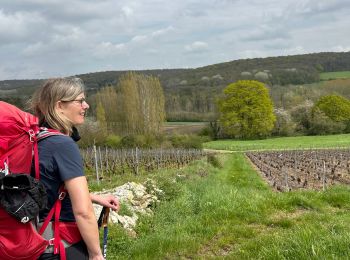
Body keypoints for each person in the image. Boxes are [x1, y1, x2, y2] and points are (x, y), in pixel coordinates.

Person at [30, 77, 119, 260]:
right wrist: (96, 254)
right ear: (60, 105)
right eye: (80, 101)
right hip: (62, 245)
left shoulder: (36, 138)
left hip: (34, 243)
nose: (86, 106)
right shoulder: (62, 144)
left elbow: (48, 189)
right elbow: (83, 211)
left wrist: (95, 197)